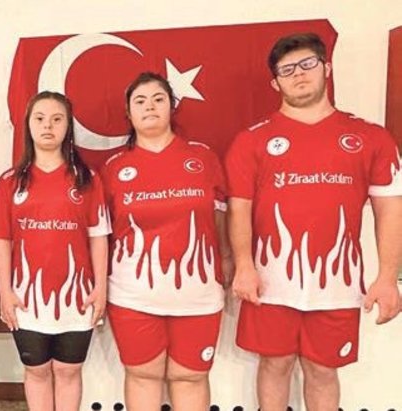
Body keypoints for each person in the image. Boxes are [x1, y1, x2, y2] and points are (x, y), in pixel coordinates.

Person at [226, 32, 402, 410]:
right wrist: (244, 265)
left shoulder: (371, 137)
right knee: (275, 364)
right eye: (287, 70)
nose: (299, 74)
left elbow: (390, 210)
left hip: (337, 284)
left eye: (307, 64)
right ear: (275, 83)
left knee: (322, 370)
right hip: (270, 283)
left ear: (327, 68)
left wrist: (387, 277)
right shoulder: (251, 141)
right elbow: (239, 209)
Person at [101, 72, 231, 410]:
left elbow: (220, 218)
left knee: (190, 377)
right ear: (128, 113)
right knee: (143, 375)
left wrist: (228, 259)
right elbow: (103, 236)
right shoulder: (113, 168)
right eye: (140, 101)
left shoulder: (203, 158)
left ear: (172, 106)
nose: (150, 107)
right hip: (133, 295)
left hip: (198, 293)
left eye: (158, 99)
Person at [0, 91, 110, 411]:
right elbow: (2, 241)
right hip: (26, 297)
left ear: (68, 127)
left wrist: (100, 287)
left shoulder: (87, 179)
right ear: (28, 125)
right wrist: (5, 292)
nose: (47, 126)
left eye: (57, 119)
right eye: (40, 119)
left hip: (77, 296)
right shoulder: (9, 182)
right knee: (37, 371)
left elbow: (98, 237)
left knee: (68, 371)